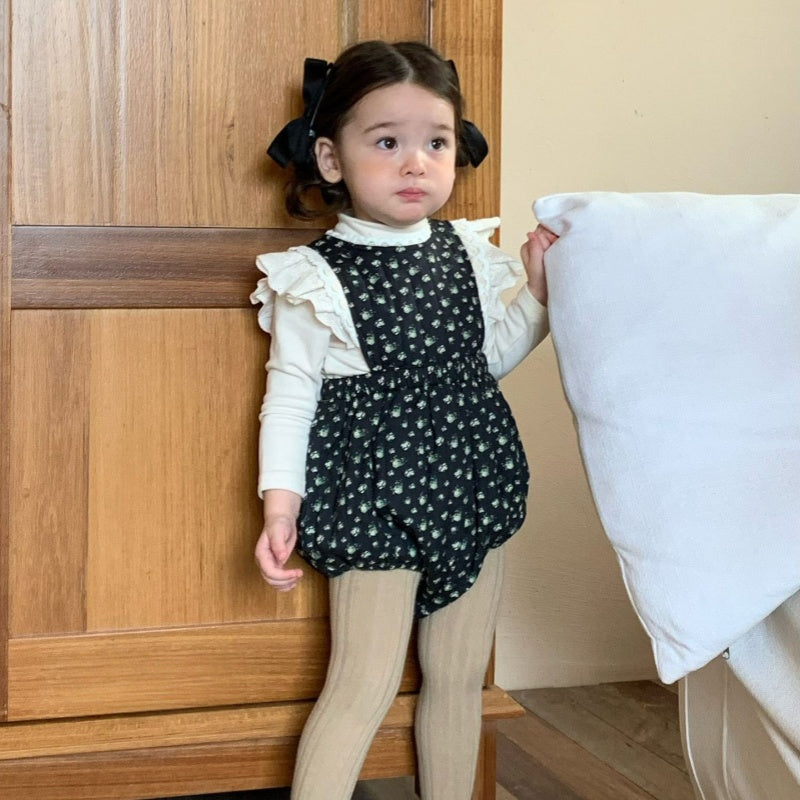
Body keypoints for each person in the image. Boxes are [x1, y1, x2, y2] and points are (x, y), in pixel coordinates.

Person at [251, 39, 556, 800]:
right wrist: (280, 504)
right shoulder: (316, 278)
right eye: (387, 143)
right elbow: (290, 395)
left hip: (471, 485)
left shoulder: (466, 253)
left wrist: (539, 296)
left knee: (459, 677)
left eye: (436, 143)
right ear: (332, 159)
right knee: (363, 682)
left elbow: (483, 359)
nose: (416, 163)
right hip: (372, 498)